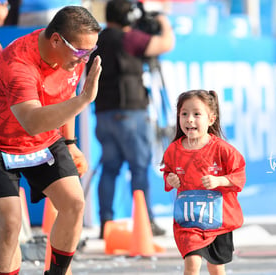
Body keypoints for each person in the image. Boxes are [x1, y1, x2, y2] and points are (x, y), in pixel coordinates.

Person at [0, 6, 102, 275]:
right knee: (10, 222)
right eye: (80, 52)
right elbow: (32, 122)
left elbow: (64, 100)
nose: (85, 59)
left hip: (45, 140)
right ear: (55, 40)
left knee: (74, 203)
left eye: (91, 52)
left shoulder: (71, 57)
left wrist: (70, 142)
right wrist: (83, 101)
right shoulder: (17, 64)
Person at [87, 0, 175, 238]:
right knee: (138, 169)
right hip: (131, 113)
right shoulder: (130, 38)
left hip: (103, 114)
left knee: (109, 169)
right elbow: (167, 43)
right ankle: (145, 222)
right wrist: (161, 19)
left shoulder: (97, 41)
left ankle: (106, 223)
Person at [161, 90, 246, 275]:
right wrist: (170, 178)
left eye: (196, 114)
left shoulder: (224, 150)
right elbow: (167, 171)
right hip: (189, 221)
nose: (189, 119)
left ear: (211, 119)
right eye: (184, 114)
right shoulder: (173, 151)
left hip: (217, 221)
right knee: (191, 265)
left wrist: (219, 180)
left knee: (216, 269)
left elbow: (239, 175)